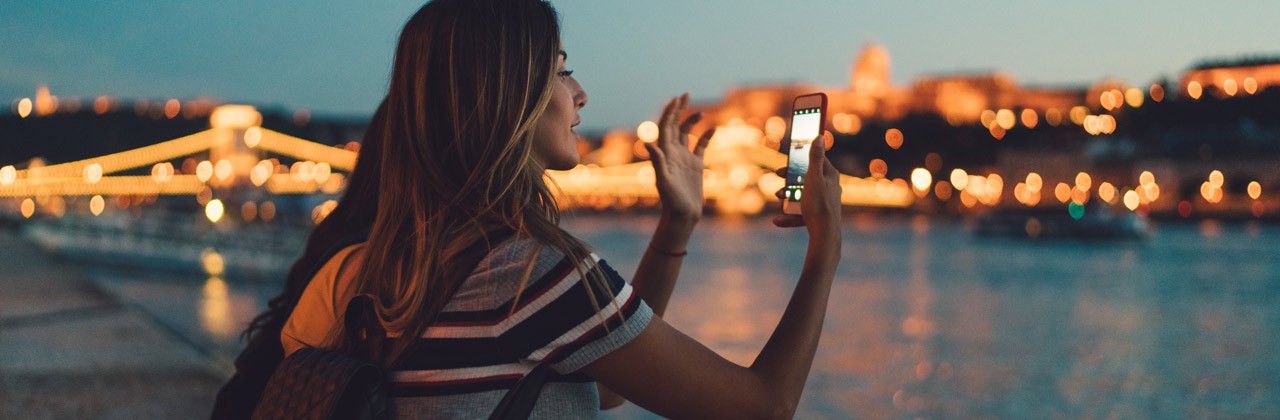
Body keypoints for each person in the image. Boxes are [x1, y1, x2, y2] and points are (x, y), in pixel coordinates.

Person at [268, 0, 843, 418]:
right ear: (510, 93)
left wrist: (677, 223)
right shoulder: (528, 275)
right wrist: (826, 245)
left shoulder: (360, 272)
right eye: (562, 68)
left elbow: (610, 384)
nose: (582, 93)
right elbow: (763, 407)